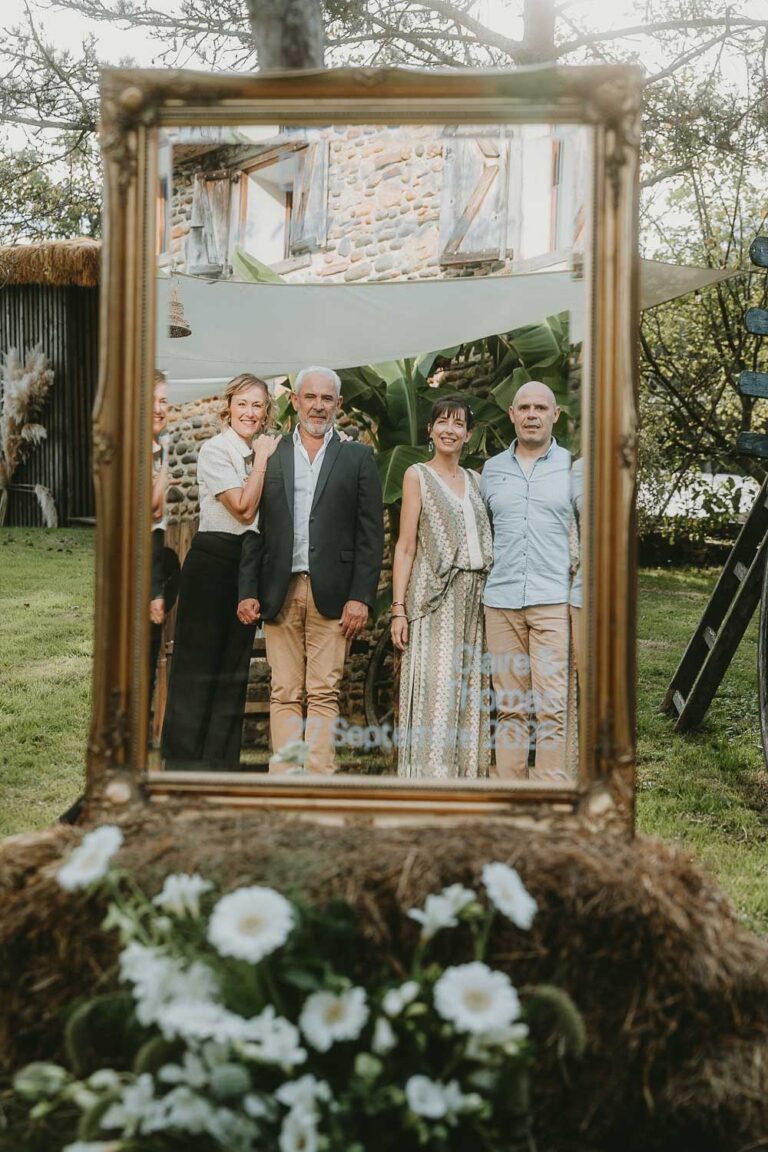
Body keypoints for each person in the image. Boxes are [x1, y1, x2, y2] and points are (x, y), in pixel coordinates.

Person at [237, 366, 384, 774]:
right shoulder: (272, 453)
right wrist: (247, 588)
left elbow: (371, 535)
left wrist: (361, 596)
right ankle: (284, 779)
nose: (318, 406)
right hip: (279, 589)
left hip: (335, 593)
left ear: (338, 404)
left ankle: (319, 781)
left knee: (324, 691)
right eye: (310, 397)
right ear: (296, 401)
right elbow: (255, 528)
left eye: (326, 399)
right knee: (284, 690)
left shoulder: (358, 457)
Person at [161, 373, 278, 769]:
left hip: (248, 566)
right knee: (197, 669)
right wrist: (262, 460)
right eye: (242, 403)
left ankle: (219, 770)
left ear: (266, 414)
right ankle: (180, 770)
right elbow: (244, 509)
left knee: (232, 674)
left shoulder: (266, 451)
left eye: (257, 405)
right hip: (212, 563)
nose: (249, 412)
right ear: (228, 407)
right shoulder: (216, 450)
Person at [391, 396, 493, 778]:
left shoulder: (476, 480)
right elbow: (405, 546)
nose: (450, 430)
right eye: (442, 423)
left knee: (469, 693)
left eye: (459, 424)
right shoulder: (417, 475)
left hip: (476, 600)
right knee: (437, 694)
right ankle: (427, 786)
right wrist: (398, 609)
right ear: (430, 430)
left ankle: (466, 786)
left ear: (468, 434)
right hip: (435, 600)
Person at [481, 379, 575, 781]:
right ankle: (510, 794)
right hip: (500, 602)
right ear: (512, 415)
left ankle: (550, 792)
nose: (532, 415)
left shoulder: (572, 467)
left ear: (555, 415)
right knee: (510, 706)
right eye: (524, 408)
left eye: (540, 408)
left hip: (552, 600)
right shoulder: (491, 470)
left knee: (552, 703)